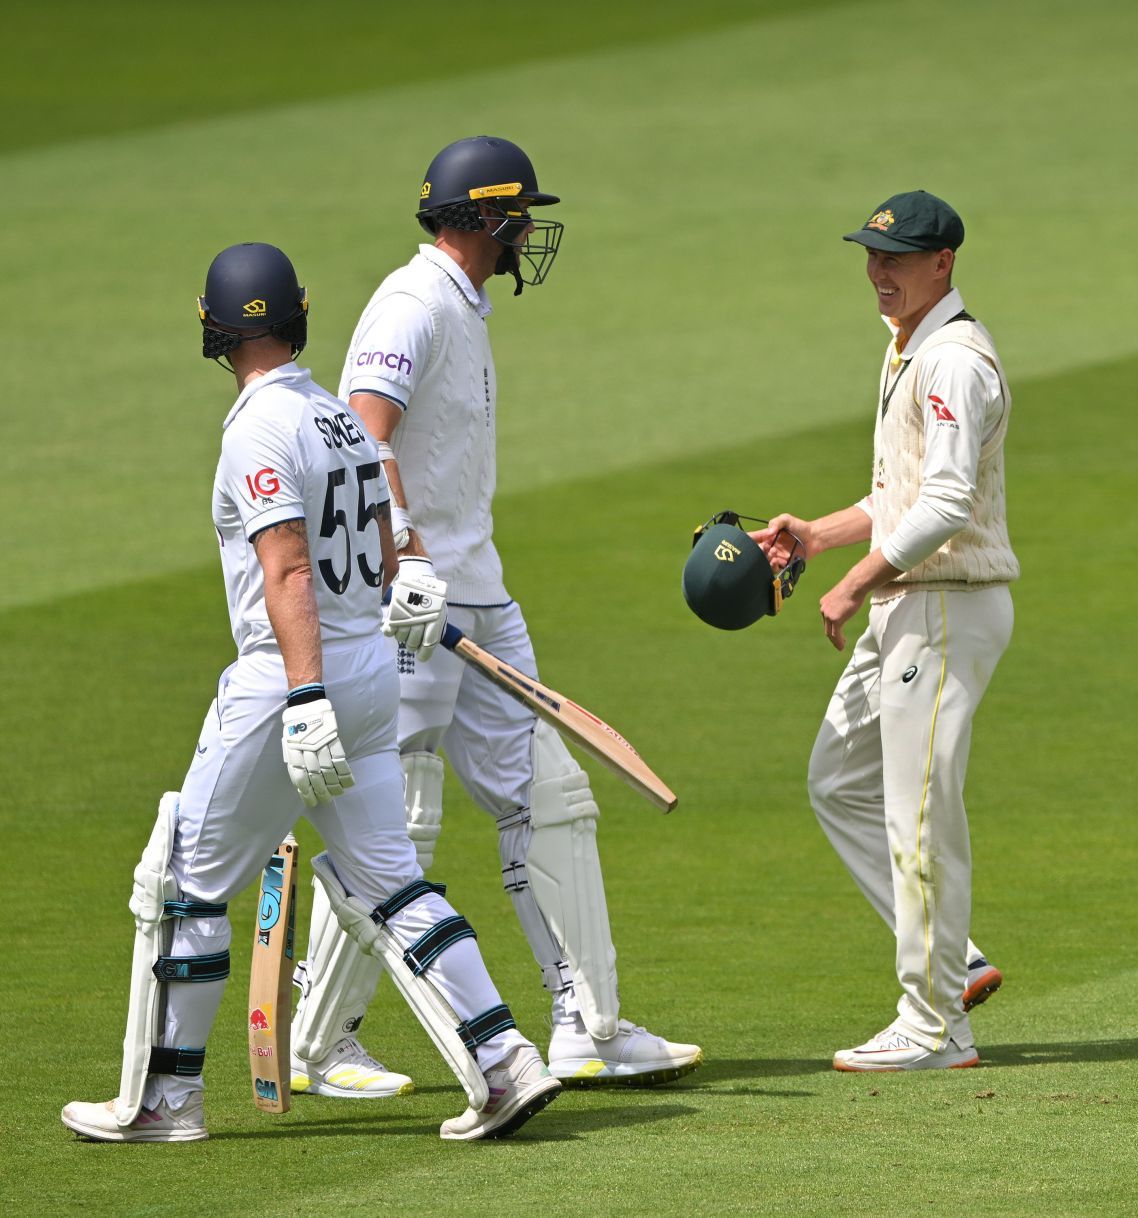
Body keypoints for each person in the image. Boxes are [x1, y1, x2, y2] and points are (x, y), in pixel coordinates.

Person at [61, 243, 559, 1143]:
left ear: (216, 330)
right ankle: (504, 1061)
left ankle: (164, 1102)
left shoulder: (258, 428)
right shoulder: (334, 416)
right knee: (393, 882)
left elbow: (286, 568)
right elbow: (387, 529)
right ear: (295, 317)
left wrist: (302, 697)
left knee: (184, 882)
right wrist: (407, 575)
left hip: (290, 680)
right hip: (370, 670)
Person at [289, 136, 701, 1095]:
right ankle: (320, 1041)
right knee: (396, 820)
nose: (530, 232)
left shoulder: (463, 304)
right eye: (520, 215)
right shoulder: (413, 301)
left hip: (481, 594)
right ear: (484, 218)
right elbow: (359, 428)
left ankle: (586, 1024)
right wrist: (406, 564)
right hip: (414, 606)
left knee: (549, 797)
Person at [752, 191, 1017, 1071]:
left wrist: (854, 580)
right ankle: (956, 958)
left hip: (942, 606)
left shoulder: (954, 363)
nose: (877, 273)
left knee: (921, 813)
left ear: (942, 263)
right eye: (871, 256)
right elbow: (902, 493)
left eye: (895, 259)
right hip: (910, 605)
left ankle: (935, 1023)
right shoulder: (906, 350)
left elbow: (947, 503)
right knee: (840, 782)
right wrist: (821, 537)